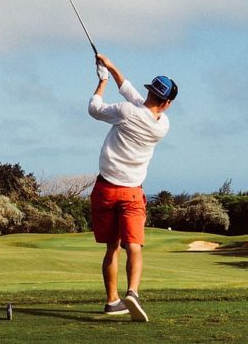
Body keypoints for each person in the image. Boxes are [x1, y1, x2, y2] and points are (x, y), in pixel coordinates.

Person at [87, 53, 176, 322]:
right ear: (167, 103)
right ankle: (133, 293)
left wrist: (102, 81)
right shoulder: (163, 125)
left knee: (112, 248)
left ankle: (112, 301)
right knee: (134, 245)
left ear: (150, 91)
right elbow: (133, 96)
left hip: (105, 189)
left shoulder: (125, 112)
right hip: (132, 193)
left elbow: (94, 108)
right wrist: (111, 67)